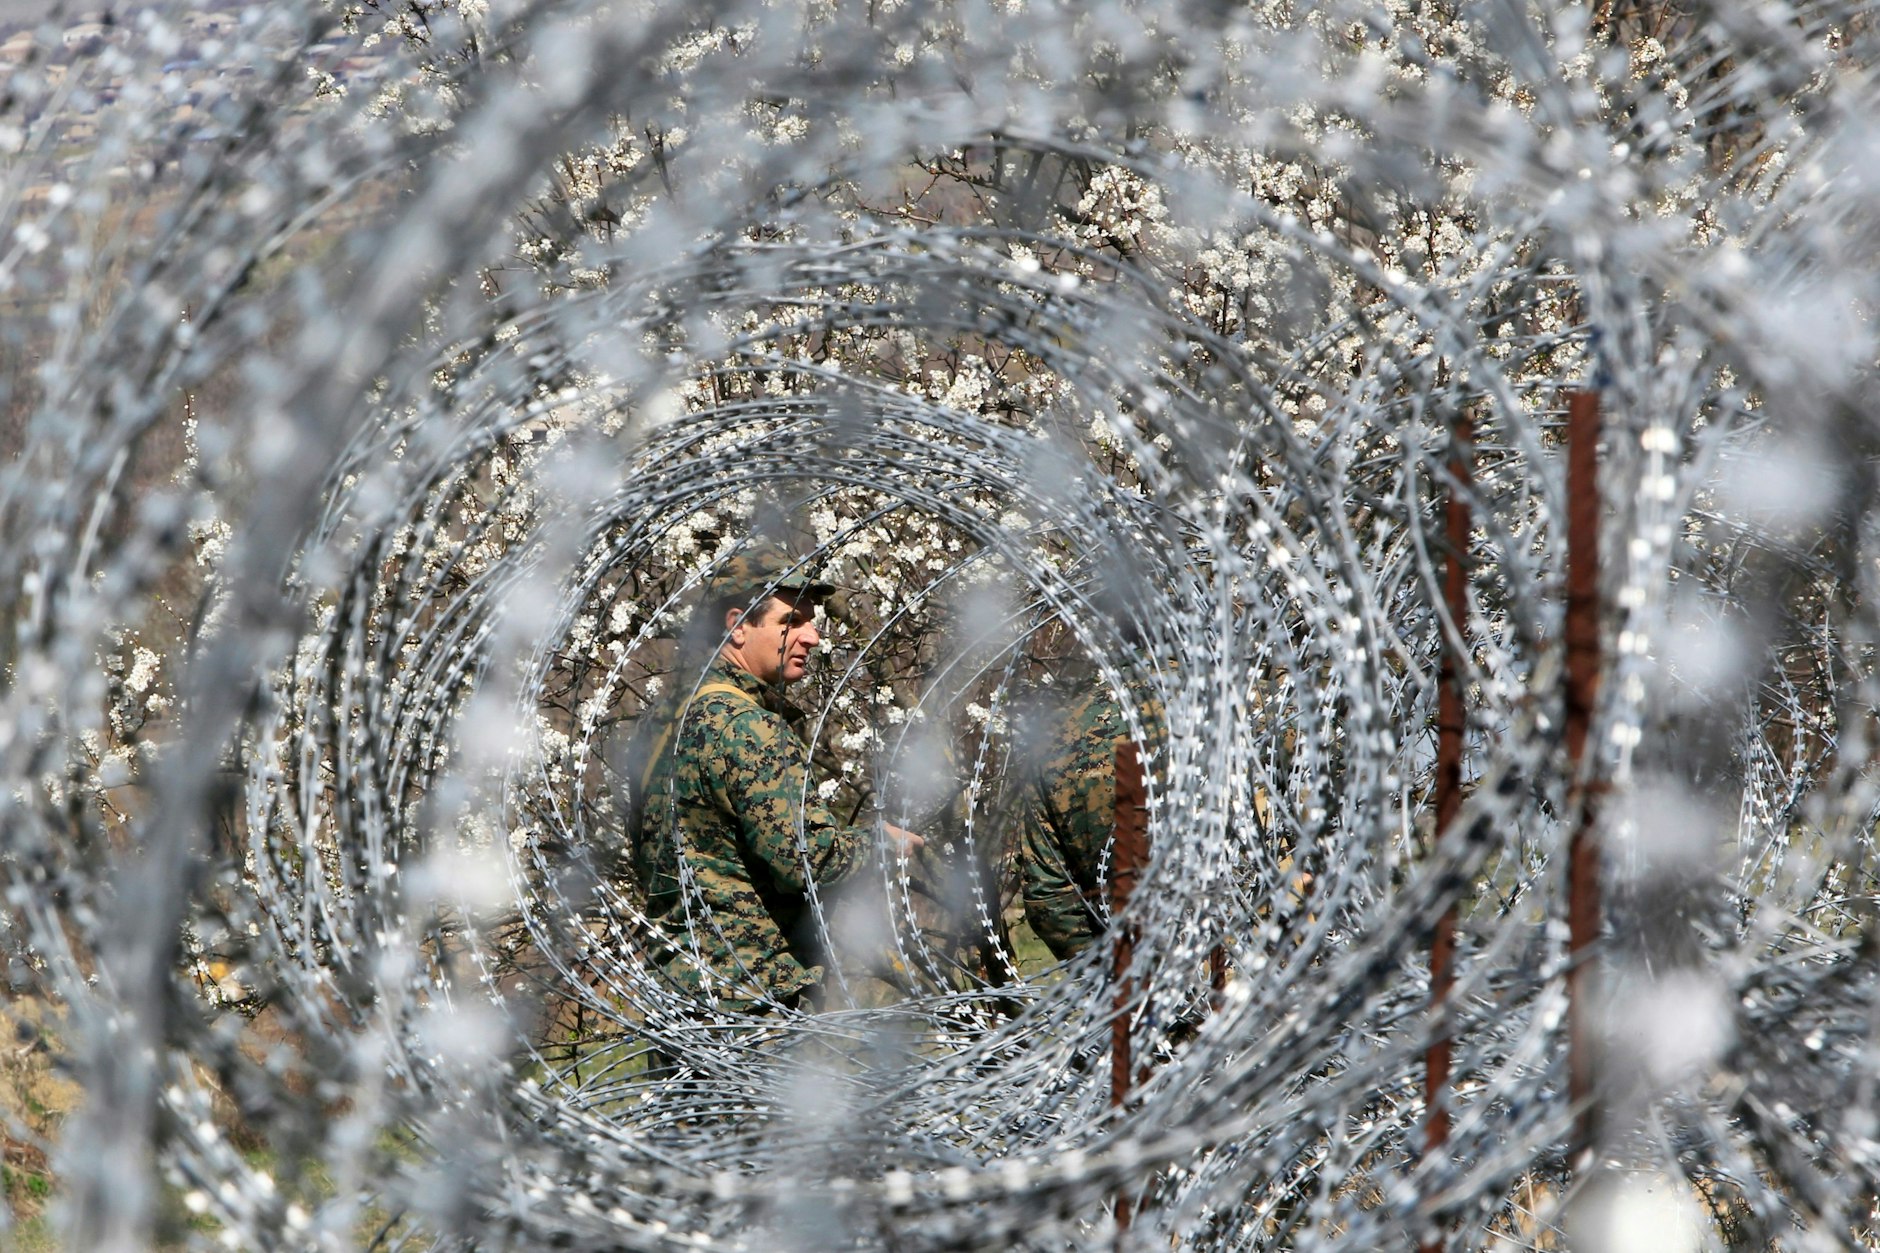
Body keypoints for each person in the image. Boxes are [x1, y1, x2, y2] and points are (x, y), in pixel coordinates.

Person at [630, 541, 922, 1011]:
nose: (812, 637)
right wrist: (881, 844)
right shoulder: (745, 724)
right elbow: (808, 862)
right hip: (751, 994)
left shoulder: (664, 719)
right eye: (791, 622)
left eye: (811, 622)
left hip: (678, 987)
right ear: (738, 627)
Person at [1019, 675, 1165, 961]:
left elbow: (1048, 898)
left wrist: (1105, 980)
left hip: (1132, 975)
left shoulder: (1058, 734)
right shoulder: (1240, 704)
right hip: (1250, 972)